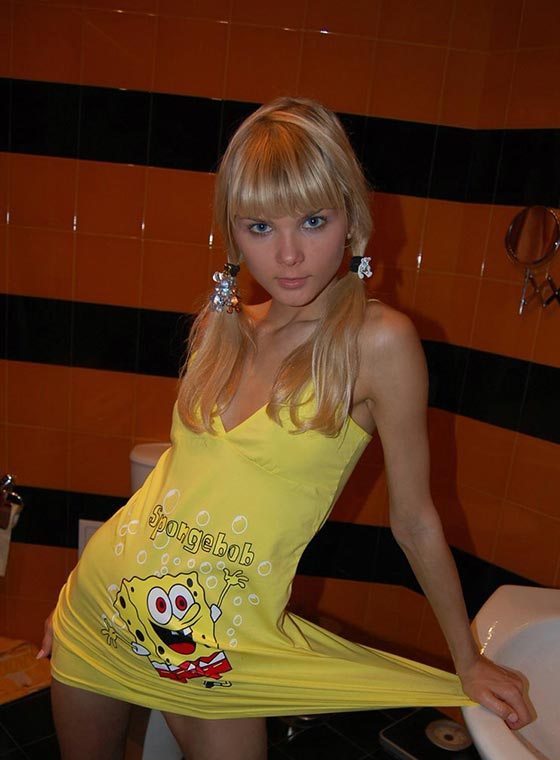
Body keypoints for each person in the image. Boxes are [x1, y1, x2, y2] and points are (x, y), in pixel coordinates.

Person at [41, 97, 530, 760]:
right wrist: (71, 593)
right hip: (100, 606)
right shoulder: (221, 327)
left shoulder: (378, 343)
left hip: (222, 650)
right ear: (233, 233)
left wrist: (467, 660)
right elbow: (172, 484)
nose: (290, 254)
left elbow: (414, 521)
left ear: (353, 219)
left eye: (314, 220)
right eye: (260, 227)